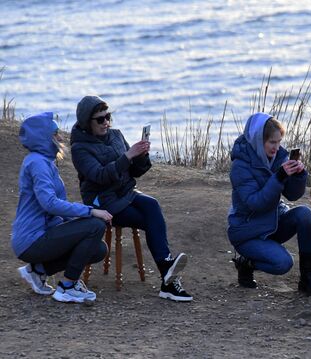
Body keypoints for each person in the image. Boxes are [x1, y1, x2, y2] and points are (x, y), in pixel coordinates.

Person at [70, 95, 192, 302]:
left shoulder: (116, 135)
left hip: (125, 192)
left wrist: (141, 156)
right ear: (86, 122)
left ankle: (167, 274)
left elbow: (134, 172)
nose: (106, 122)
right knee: (149, 220)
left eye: (108, 117)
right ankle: (168, 277)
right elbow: (99, 175)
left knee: (152, 205)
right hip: (103, 202)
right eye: (100, 119)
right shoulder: (79, 148)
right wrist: (127, 157)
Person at [12, 112, 112, 303]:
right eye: (55, 133)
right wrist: (90, 211)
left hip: (42, 234)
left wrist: (78, 224)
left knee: (98, 249)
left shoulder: (45, 161)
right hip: (31, 240)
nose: (61, 137)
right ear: (43, 137)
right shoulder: (38, 163)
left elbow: (55, 205)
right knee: (95, 225)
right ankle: (67, 286)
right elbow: (48, 203)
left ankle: (38, 270)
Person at [227, 112, 311, 297]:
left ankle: (307, 279)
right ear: (258, 139)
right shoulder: (240, 167)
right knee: (283, 264)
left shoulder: (279, 157)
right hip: (248, 232)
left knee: (304, 214)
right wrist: (278, 176)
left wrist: (298, 175)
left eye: (279, 142)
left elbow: (293, 195)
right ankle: (246, 264)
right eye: (272, 142)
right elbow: (255, 203)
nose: (276, 147)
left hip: (274, 222)